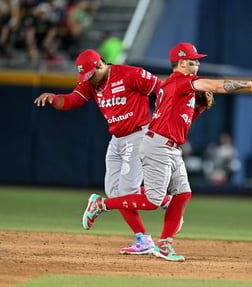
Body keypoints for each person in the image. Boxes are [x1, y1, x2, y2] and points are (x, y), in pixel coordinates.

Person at [81, 42, 252, 262]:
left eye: (197, 61)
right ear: (180, 63)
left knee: (183, 194)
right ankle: (101, 204)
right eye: (191, 61)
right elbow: (216, 86)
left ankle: (165, 245)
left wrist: (199, 108)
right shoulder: (181, 81)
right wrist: (247, 83)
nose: (196, 65)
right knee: (153, 200)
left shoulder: (180, 88)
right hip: (158, 146)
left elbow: (181, 124)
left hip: (170, 146)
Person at [34, 49, 172, 255]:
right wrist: (54, 98)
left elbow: (163, 90)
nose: (88, 80)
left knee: (125, 192)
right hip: (116, 139)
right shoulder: (92, 83)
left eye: (90, 75)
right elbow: (72, 100)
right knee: (114, 191)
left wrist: (162, 124)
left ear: (100, 65)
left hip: (138, 136)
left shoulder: (131, 74)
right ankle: (161, 205)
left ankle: (138, 233)